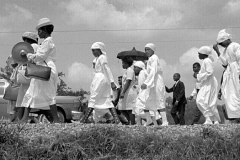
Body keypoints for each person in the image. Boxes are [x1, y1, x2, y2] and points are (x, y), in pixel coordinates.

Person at [19, 18, 59, 123]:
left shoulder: (47, 42)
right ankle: (24, 118)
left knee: (48, 94)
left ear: (44, 30)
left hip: (45, 69)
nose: (38, 33)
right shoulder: (46, 42)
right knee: (30, 92)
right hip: (41, 69)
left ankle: (56, 119)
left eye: (39, 30)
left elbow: (40, 57)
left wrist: (27, 55)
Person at [80, 42, 120, 124]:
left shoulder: (102, 57)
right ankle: (117, 120)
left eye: (94, 50)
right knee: (106, 99)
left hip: (101, 79)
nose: (93, 53)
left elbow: (107, 69)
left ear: (99, 50)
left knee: (93, 98)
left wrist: (112, 82)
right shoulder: (98, 59)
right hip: (101, 78)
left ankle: (84, 120)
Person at [138, 43, 168, 126]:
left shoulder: (154, 58)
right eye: (145, 50)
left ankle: (165, 121)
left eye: (148, 49)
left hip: (156, 81)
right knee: (147, 100)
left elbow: (153, 71)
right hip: (151, 82)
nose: (146, 51)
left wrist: (146, 83)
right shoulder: (150, 59)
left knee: (159, 99)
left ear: (152, 50)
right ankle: (148, 120)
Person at [213, 29, 240, 119]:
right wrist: (217, 52)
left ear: (227, 39)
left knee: (237, 92)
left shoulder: (235, 46)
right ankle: (236, 116)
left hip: (236, 71)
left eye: (222, 43)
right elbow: (225, 64)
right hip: (229, 73)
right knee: (230, 94)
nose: (221, 45)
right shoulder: (225, 51)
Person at [15, 32, 39, 123]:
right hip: (29, 72)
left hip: (30, 72)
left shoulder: (33, 47)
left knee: (26, 96)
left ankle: (22, 118)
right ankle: (20, 118)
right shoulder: (34, 47)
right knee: (23, 96)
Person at [196, 46, 220, 124]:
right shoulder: (206, 61)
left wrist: (199, 76)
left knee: (200, 100)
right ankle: (214, 120)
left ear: (203, 54)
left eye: (199, 54)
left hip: (209, 83)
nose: (198, 55)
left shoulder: (206, 61)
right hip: (208, 82)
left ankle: (209, 118)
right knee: (209, 102)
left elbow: (210, 72)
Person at [118, 57, 137, 125]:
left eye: (123, 63)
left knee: (129, 108)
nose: (122, 65)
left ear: (126, 63)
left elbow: (128, 81)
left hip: (129, 91)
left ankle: (132, 123)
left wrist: (123, 92)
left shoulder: (130, 70)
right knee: (121, 107)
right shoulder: (127, 71)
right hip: (126, 90)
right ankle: (129, 120)